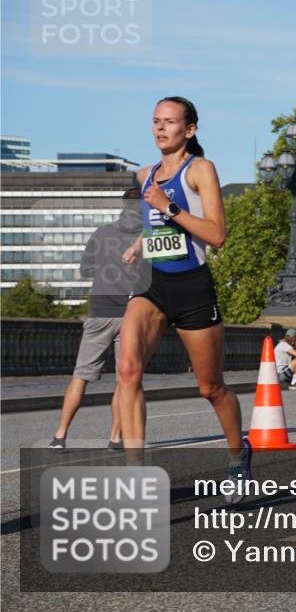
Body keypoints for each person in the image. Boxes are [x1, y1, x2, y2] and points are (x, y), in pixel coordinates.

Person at [119, 96, 250, 502]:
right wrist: (139, 244)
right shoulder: (144, 175)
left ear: (189, 129)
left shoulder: (200, 169)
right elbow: (156, 225)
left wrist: (168, 205)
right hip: (152, 284)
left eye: (170, 122)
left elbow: (217, 235)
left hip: (193, 287)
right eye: (156, 121)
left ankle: (238, 456)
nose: (160, 128)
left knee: (210, 388)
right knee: (128, 370)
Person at [49, 188, 149, 451]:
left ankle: (60, 435)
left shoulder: (102, 233)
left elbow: (85, 270)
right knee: (124, 380)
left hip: (99, 311)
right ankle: (115, 438)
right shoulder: (147, 237)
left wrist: (107, 268)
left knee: (81, 375)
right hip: (131, 314)